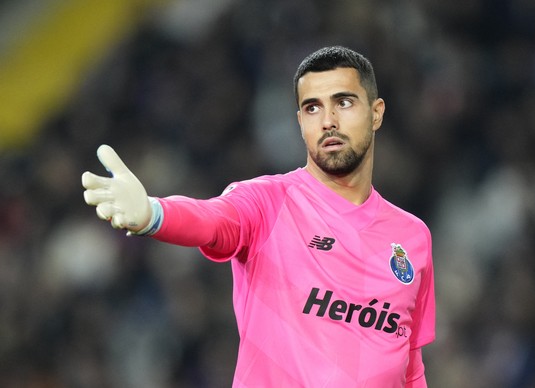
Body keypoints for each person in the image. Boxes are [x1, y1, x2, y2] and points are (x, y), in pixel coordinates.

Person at [82, 46, 435, 387]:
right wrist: (155, 215)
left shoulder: (412, 237)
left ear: (376, 112)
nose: (328, 121)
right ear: (299, 121)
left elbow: (410, 367)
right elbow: (213, 219)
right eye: (312, 108)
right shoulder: (268, 201)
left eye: (343, 102)